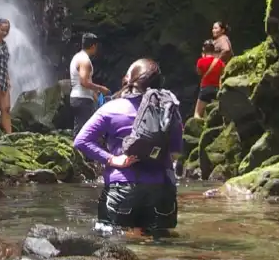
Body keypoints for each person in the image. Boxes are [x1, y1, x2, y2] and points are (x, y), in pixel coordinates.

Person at [73, 58, 182, 231]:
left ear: (129, 80)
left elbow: (81, 140)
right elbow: (175, 150)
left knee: (113, 246)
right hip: (161, 190)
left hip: (123, 188)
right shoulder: (169, 110)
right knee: (161, 247)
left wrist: (111, 159)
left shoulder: (112, 108)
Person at [70, 33, 111, 134]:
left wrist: (96, 98)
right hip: (82, 99)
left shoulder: (77, 57)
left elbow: (86, 83)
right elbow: (84, 82)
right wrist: (102, 88)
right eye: (96, 46)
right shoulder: (85, 61)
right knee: (85, 131)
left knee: (80, 127)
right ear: (93, 46)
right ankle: (79, 148)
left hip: (77, 97)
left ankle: (76, 148)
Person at [194, 38, 226, 119]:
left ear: (204, 49)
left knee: (197, 113)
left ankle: (198, 129)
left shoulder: (200, 61)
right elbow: (223, 74)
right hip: (217, 90)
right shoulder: (220, 62)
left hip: (205, 89)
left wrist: (203, 58)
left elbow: (199, 73)